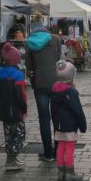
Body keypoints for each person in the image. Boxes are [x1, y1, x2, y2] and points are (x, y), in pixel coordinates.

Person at [26, 20, 61, 162]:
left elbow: (29, 65)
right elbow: (58, 58)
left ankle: (48, 153)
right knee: (57, 116)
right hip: (55, 82)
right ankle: (58, 150)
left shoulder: (29, 42)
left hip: (39, 84)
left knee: (44, 119)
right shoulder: (55, 39)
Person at [49, 60, 87, 181]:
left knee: (60, 146)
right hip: (70, 125)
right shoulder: (71, 92)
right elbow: (78, 111)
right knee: (69, 148)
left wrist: (55, 124)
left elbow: (52, 110)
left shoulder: (53, 90)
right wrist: (83, 125)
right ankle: (70, 173)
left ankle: (61, 172)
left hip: (58, 125)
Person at [0, 42, 28, 171]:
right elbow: (21, 95)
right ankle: (12, 159)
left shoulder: (0, 74)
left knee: (8, 135)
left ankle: (11, 158)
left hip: (4, 110)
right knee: (19, 134)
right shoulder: (18, 75)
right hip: (16, 111)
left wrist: (0, 106)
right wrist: (24, 110)